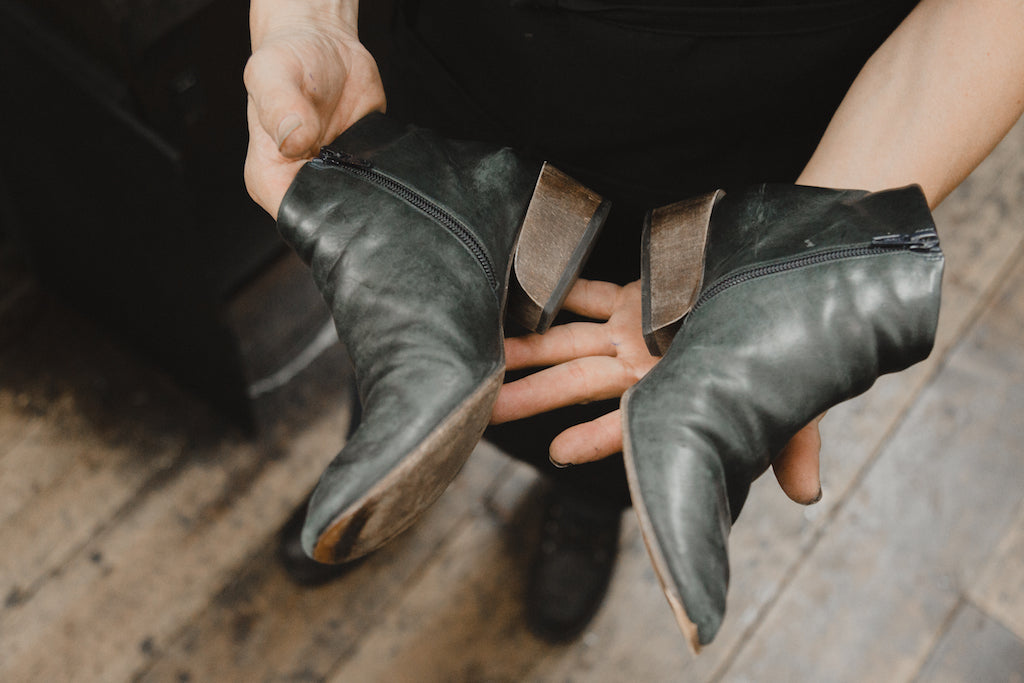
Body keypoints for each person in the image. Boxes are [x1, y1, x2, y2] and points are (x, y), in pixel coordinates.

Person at [244, 0, 1024, 643]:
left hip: (751, 130)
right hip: (468, 68)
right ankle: (391, 446)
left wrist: (799, 255)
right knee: (407, 328)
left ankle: (583, 509)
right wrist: (303, 18)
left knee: (634, 396)